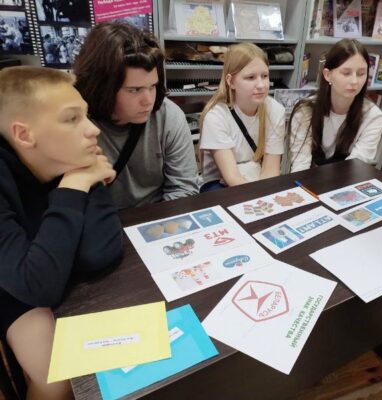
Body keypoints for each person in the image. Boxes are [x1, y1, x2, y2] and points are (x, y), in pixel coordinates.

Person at [0, 66, 123, 399]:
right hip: (11, 280)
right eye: (72, 119)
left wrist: (84, 178)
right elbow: (34, 286)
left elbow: (101, 252)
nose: (93, 130)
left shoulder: (64, 155)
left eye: (86, 116)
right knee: (58, 377)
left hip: (45, 263)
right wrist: (76, 183)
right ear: (23, 135)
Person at [73, 22, 200, 209]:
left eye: (153, 86)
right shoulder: (75, 123)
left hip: (158, 217)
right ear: (102, 87)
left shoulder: (168, 115)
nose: (148, 100)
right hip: (98, 223)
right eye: (134, 90)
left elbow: (184, 187)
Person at [288, 38, 382, 172]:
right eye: (346, 73)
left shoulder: (373, 116)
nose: (354, 81)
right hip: (309, 179)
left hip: (347, 182)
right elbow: (300, 165)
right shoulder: (305, 110)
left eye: (361, 73)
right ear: (327, 75)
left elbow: (356, 167)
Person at [199, 42, 286, 191]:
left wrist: (265, 198)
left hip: (256, 176)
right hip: (220, 184)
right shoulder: (216, 117)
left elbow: (271, 171)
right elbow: (232, 178)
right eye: (250, 77)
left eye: (264, 76)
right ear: (231, 81)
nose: (261, 85)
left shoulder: (275, 110)